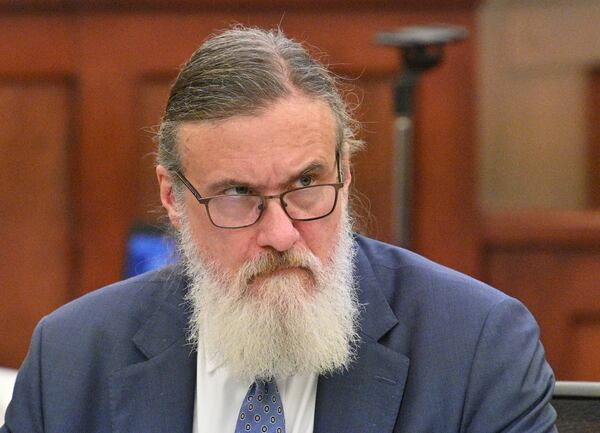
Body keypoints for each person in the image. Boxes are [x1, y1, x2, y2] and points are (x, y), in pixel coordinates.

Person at [1, 27, 557, 433]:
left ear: (346, 171)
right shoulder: (72, 358)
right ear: (173, 197)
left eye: (307, 183)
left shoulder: (477, 344)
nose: (283, 234)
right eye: (238, 194)